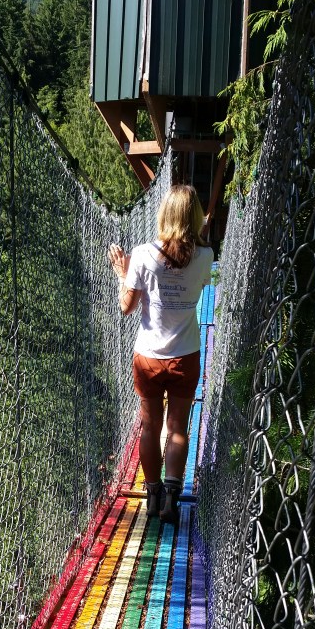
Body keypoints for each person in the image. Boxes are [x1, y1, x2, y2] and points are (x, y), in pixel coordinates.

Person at [109, 183, 213, 525]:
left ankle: (151, 495)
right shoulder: (206, 256)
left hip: (148, 358)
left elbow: (127, 307)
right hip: (186, 356)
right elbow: (195, 288)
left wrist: (123, 275)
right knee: (178, 428)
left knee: (150, 427)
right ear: (195, 217)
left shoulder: (141, 254)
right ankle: (171, 497)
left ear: (164, 214)